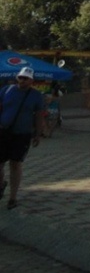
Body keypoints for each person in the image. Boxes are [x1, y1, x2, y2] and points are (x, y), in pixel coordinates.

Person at [0, 67, 46, 208]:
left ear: (32, 80)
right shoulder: (6, 90)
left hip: (22, 134)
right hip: (3, 131)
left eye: (25, 78)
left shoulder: (36, 95)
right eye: (20, 77)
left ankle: (13, 198)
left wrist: (38, 134)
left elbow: (39, 116)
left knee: (15, 163)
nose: (22, 80)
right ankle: (1, 185)